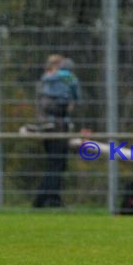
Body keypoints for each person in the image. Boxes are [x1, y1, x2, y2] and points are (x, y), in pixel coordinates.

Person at [32, 54, 81, 208]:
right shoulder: (62, 80)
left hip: (47, 126)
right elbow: (75, 99)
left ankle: (42, 200)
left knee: (54, 164)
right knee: (57, 164)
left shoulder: (44, 82)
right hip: (58, 126)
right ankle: (50, 200)